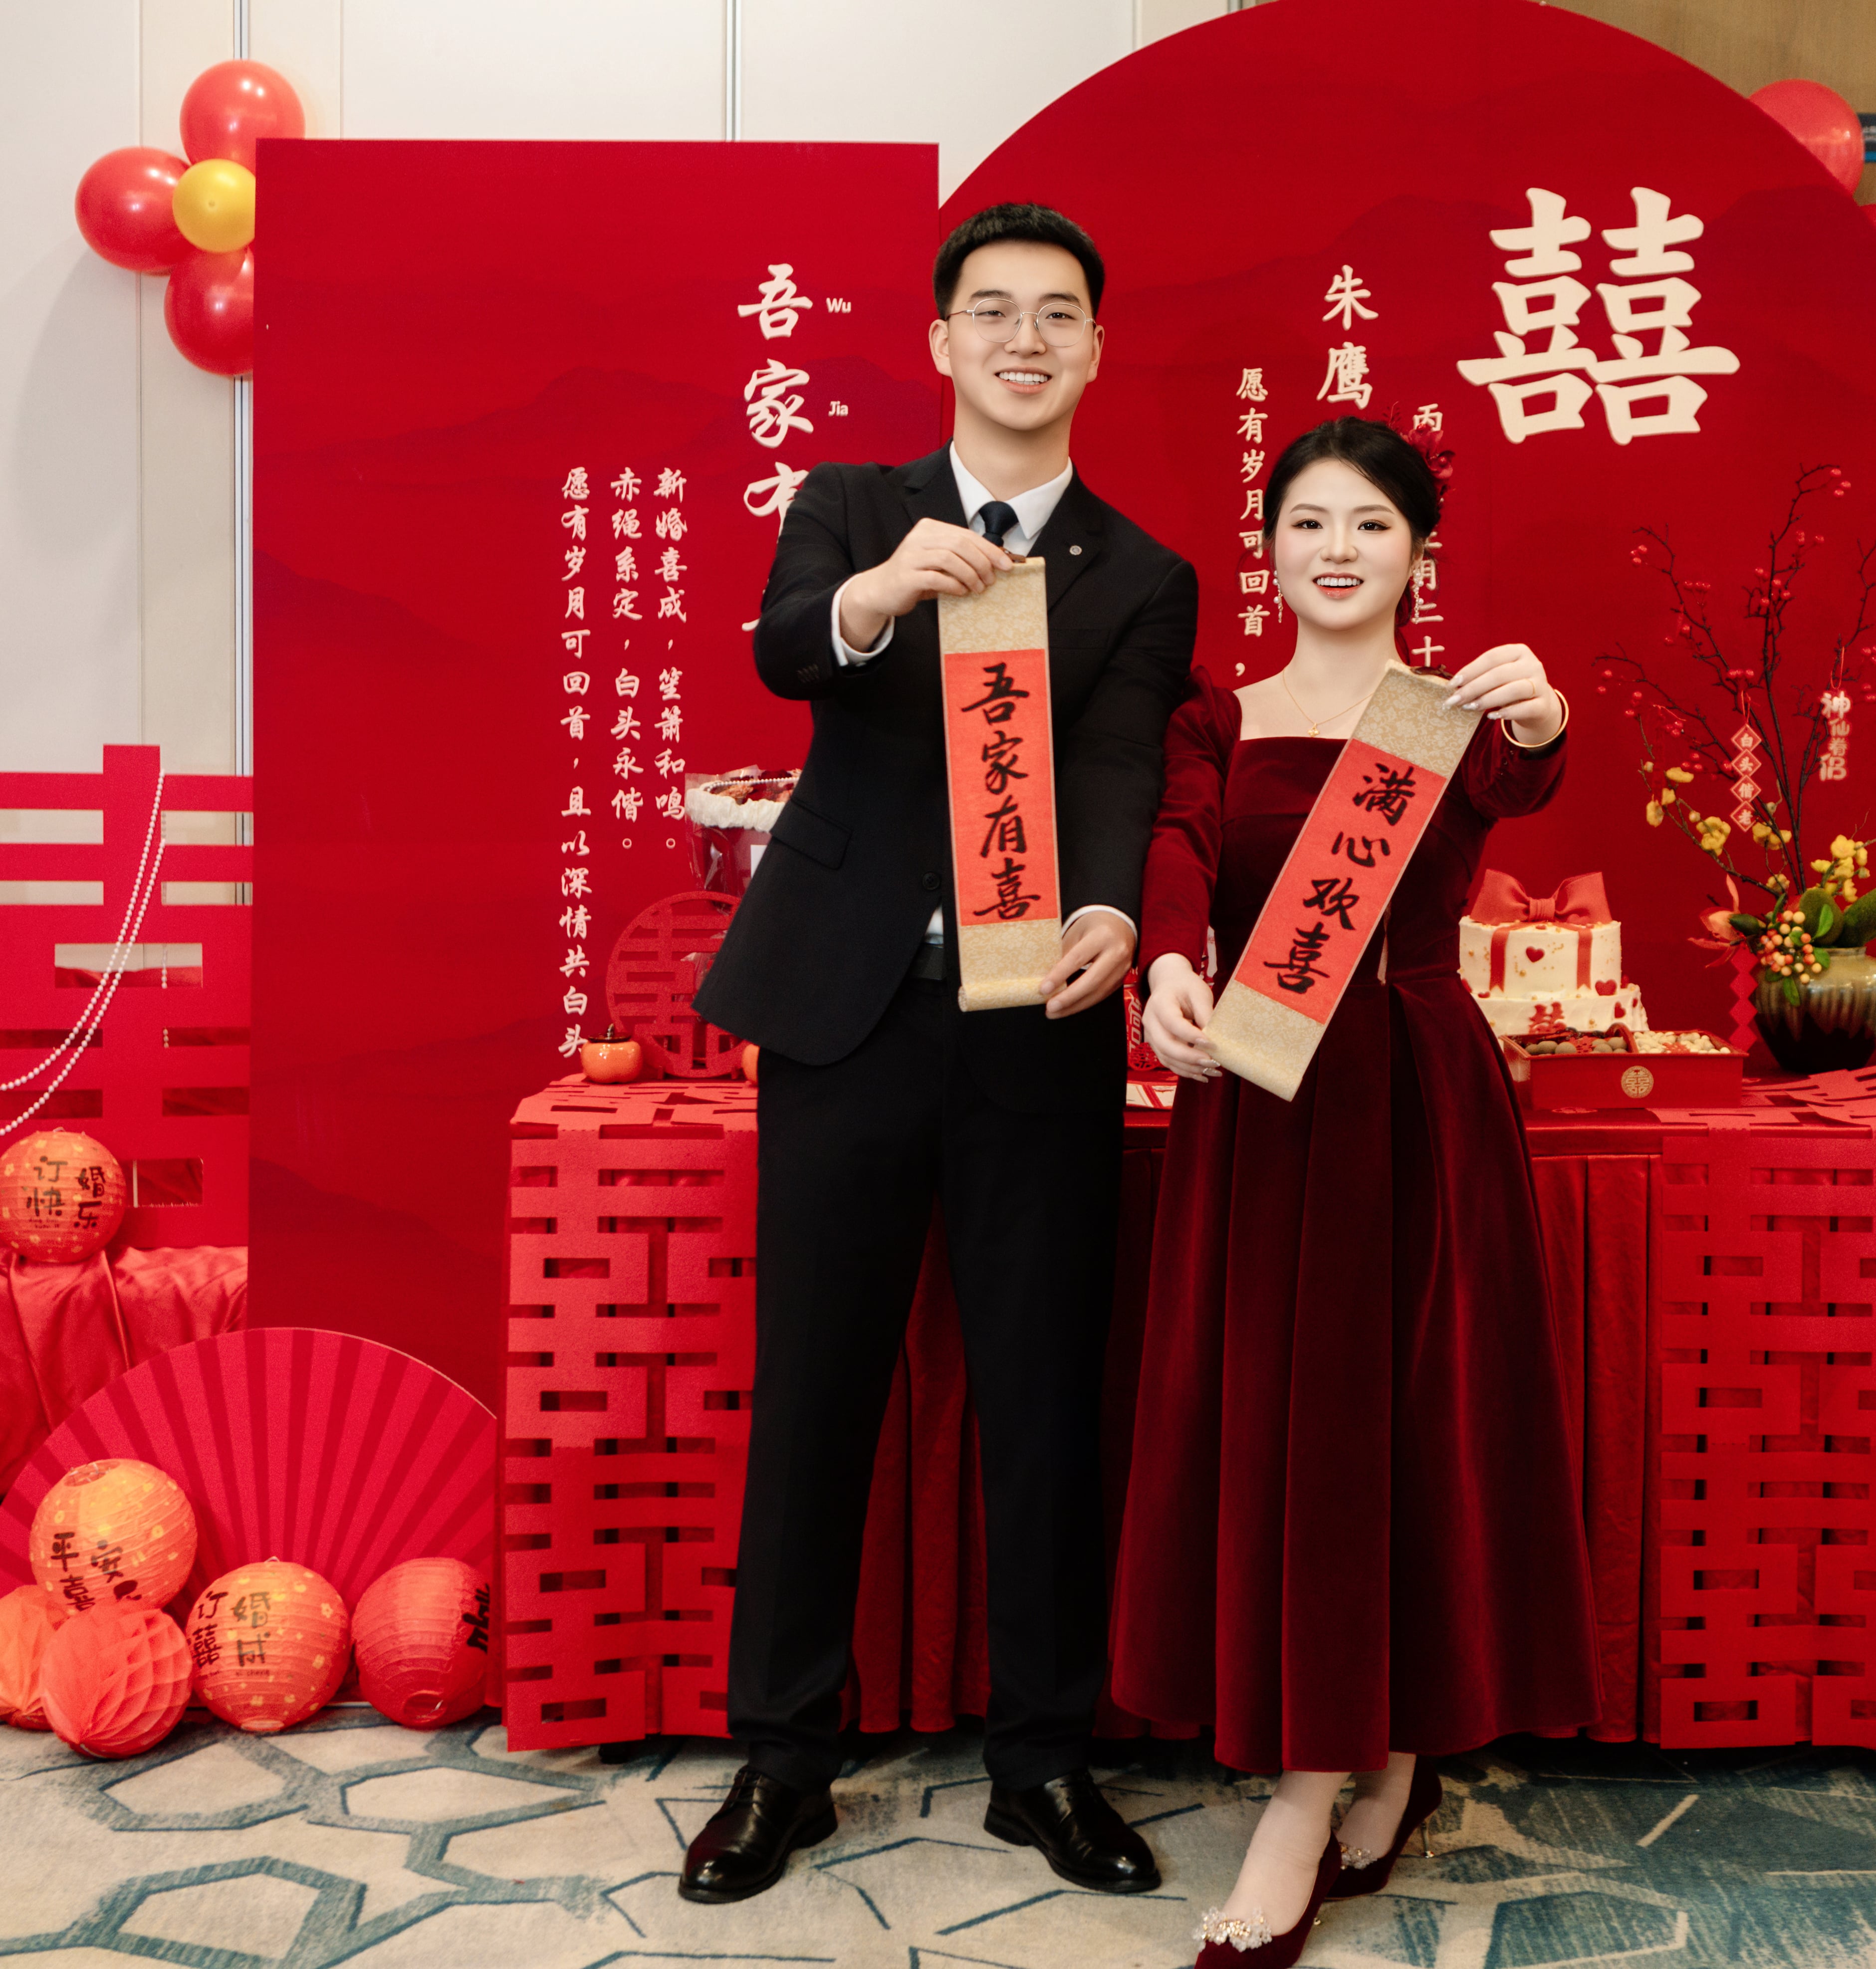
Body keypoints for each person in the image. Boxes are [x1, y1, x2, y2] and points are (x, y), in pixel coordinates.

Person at [682, 203, 1197, 1905]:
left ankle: (1042, 1761)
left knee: (1042, 1397)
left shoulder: (1141, 574)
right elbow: (780, 649)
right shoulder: (850, 506)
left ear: (1096, 348)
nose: (1023, 339)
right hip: (846, 1011)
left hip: (1031, 1025)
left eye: (1056, 313)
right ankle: (783, 1759)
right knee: (815, 1389)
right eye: (992, 311)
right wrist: (876, 595)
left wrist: (1108, 908)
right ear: (942, 342)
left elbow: (1119, 766)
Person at [1120, 417, 1602, 1966]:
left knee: (1398, 1422)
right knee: (1299, 1429)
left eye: (1371, 525)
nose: (1336, 550)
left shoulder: (1450, 714)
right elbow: (1177, 848)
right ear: (1266, 546)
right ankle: (1351, 1755)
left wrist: (1544, 711)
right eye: (1308, 522)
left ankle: (1326, 1778)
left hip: (1413, 1099)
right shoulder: (1215, 713)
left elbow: (1530, 770)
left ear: (1418, 553)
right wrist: (1168, 963)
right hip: (1265, 1099)